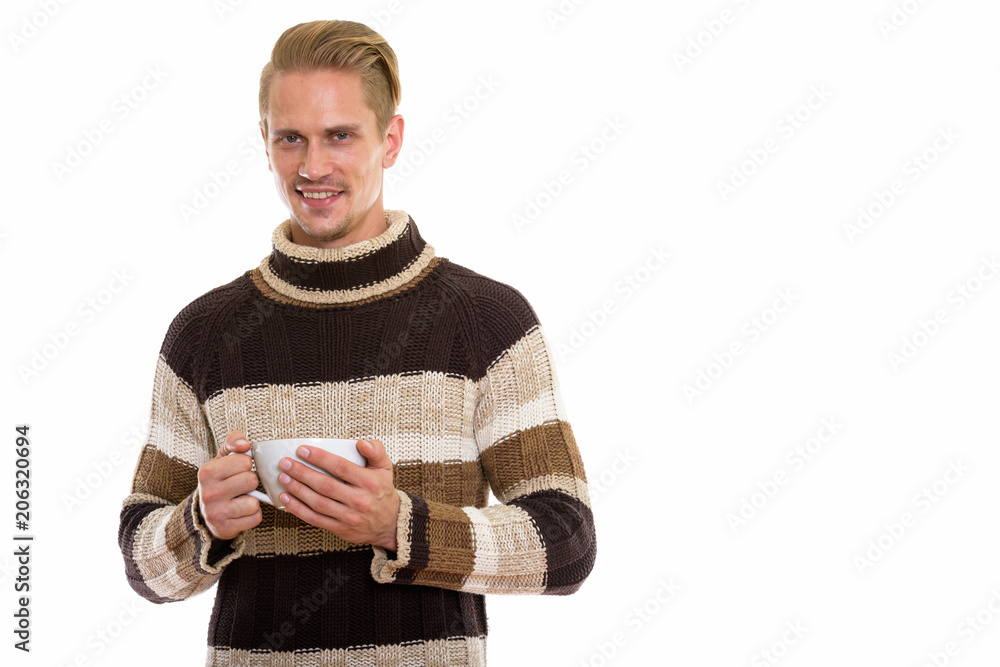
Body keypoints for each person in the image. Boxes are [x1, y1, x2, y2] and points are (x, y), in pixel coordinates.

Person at [118, 19, 596, 666]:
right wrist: (202, 519)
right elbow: (142, 566)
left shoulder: (488, 321)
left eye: (340, 136)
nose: (313, 167)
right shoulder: (204, 334)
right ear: (264, 143)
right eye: (291, 139)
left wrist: (401, 525)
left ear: (390, 139)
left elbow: (567, 543)